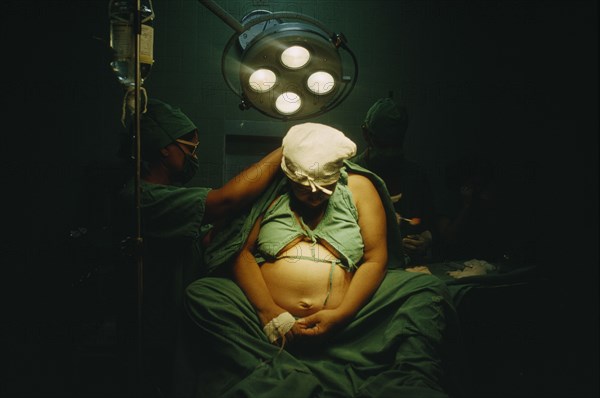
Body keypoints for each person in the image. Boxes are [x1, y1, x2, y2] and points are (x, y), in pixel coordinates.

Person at [185, 123, 462, 398]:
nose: (314, 194)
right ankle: (275, 367)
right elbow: (239, 250)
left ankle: (408, 376)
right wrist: (268, 311)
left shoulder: (359, 188)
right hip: (268, 322)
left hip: (350, 319)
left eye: (324, 188)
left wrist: (340, 316)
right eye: (304, 188)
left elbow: (375, 259)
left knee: (427, 290)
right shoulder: (271, 189)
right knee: (204, 294)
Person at [115, 98, 283, 397]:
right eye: (189, 149)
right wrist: (282, 152)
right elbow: (224, 201)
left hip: (176, 321)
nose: (194, 157)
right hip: (155, 322)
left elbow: (207, 239)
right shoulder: (142, 197)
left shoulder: (166, 196)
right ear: (165, 147)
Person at [352, 97, 439, 266]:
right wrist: (392, 246)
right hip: (365, 269)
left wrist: (426, 238)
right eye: (384, 144)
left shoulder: (415, 175)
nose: (390, 152)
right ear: (366, 134)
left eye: (396, 144)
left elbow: (430, 222)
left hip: (412, 269)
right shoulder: (351, 175)